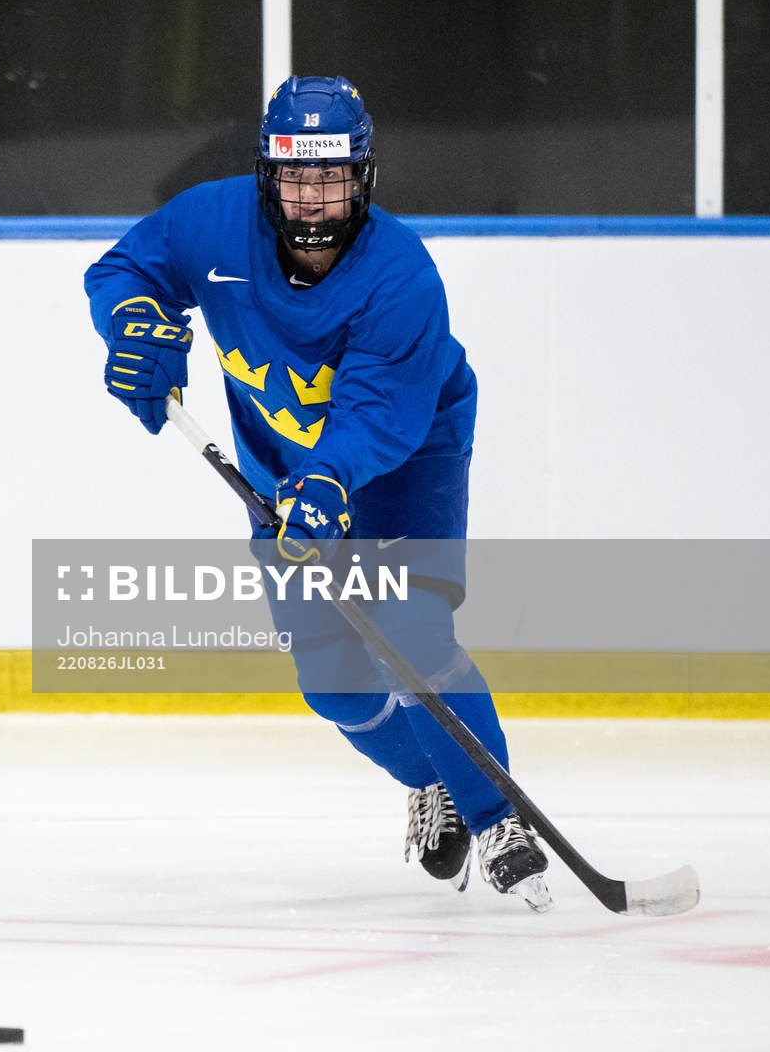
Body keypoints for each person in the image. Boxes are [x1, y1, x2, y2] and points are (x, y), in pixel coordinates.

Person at [83, 75, 552, 911]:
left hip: (408, 453)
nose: (311, 201)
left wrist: (330, 481)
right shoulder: (211, 224)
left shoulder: (401, 275)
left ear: (362, 175)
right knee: (332, 681)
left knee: (405, 626)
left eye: (330, 179)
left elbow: (378, 416)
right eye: (296, 179)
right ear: (269, 175)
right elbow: (123, 270)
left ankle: (495, 815)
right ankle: (437, 779)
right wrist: (134, 326)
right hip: (285, 471)